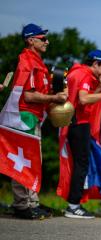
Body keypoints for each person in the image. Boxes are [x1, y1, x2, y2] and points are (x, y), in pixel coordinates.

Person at [0, 23, 67, 219]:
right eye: (43, 38)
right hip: (25, 116)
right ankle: (22, 205)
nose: (47, 41)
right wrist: (54, 99)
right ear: (31, 40)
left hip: (34, 116)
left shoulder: (38, 62)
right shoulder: (27, 61)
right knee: (22, 159)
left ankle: (33, 202)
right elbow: (28, 96)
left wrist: (58, 94)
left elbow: (42, 93)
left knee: (32, 160)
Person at [63, 49, 101, 219]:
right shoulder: (86, 75)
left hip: (76, 122)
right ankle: (73, 206)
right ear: (95, 64)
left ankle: (74, 204)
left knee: (81, 163)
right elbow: (83, 99)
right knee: (82, 164)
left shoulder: (79, 72)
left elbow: (86, 99)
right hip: (78, 124)